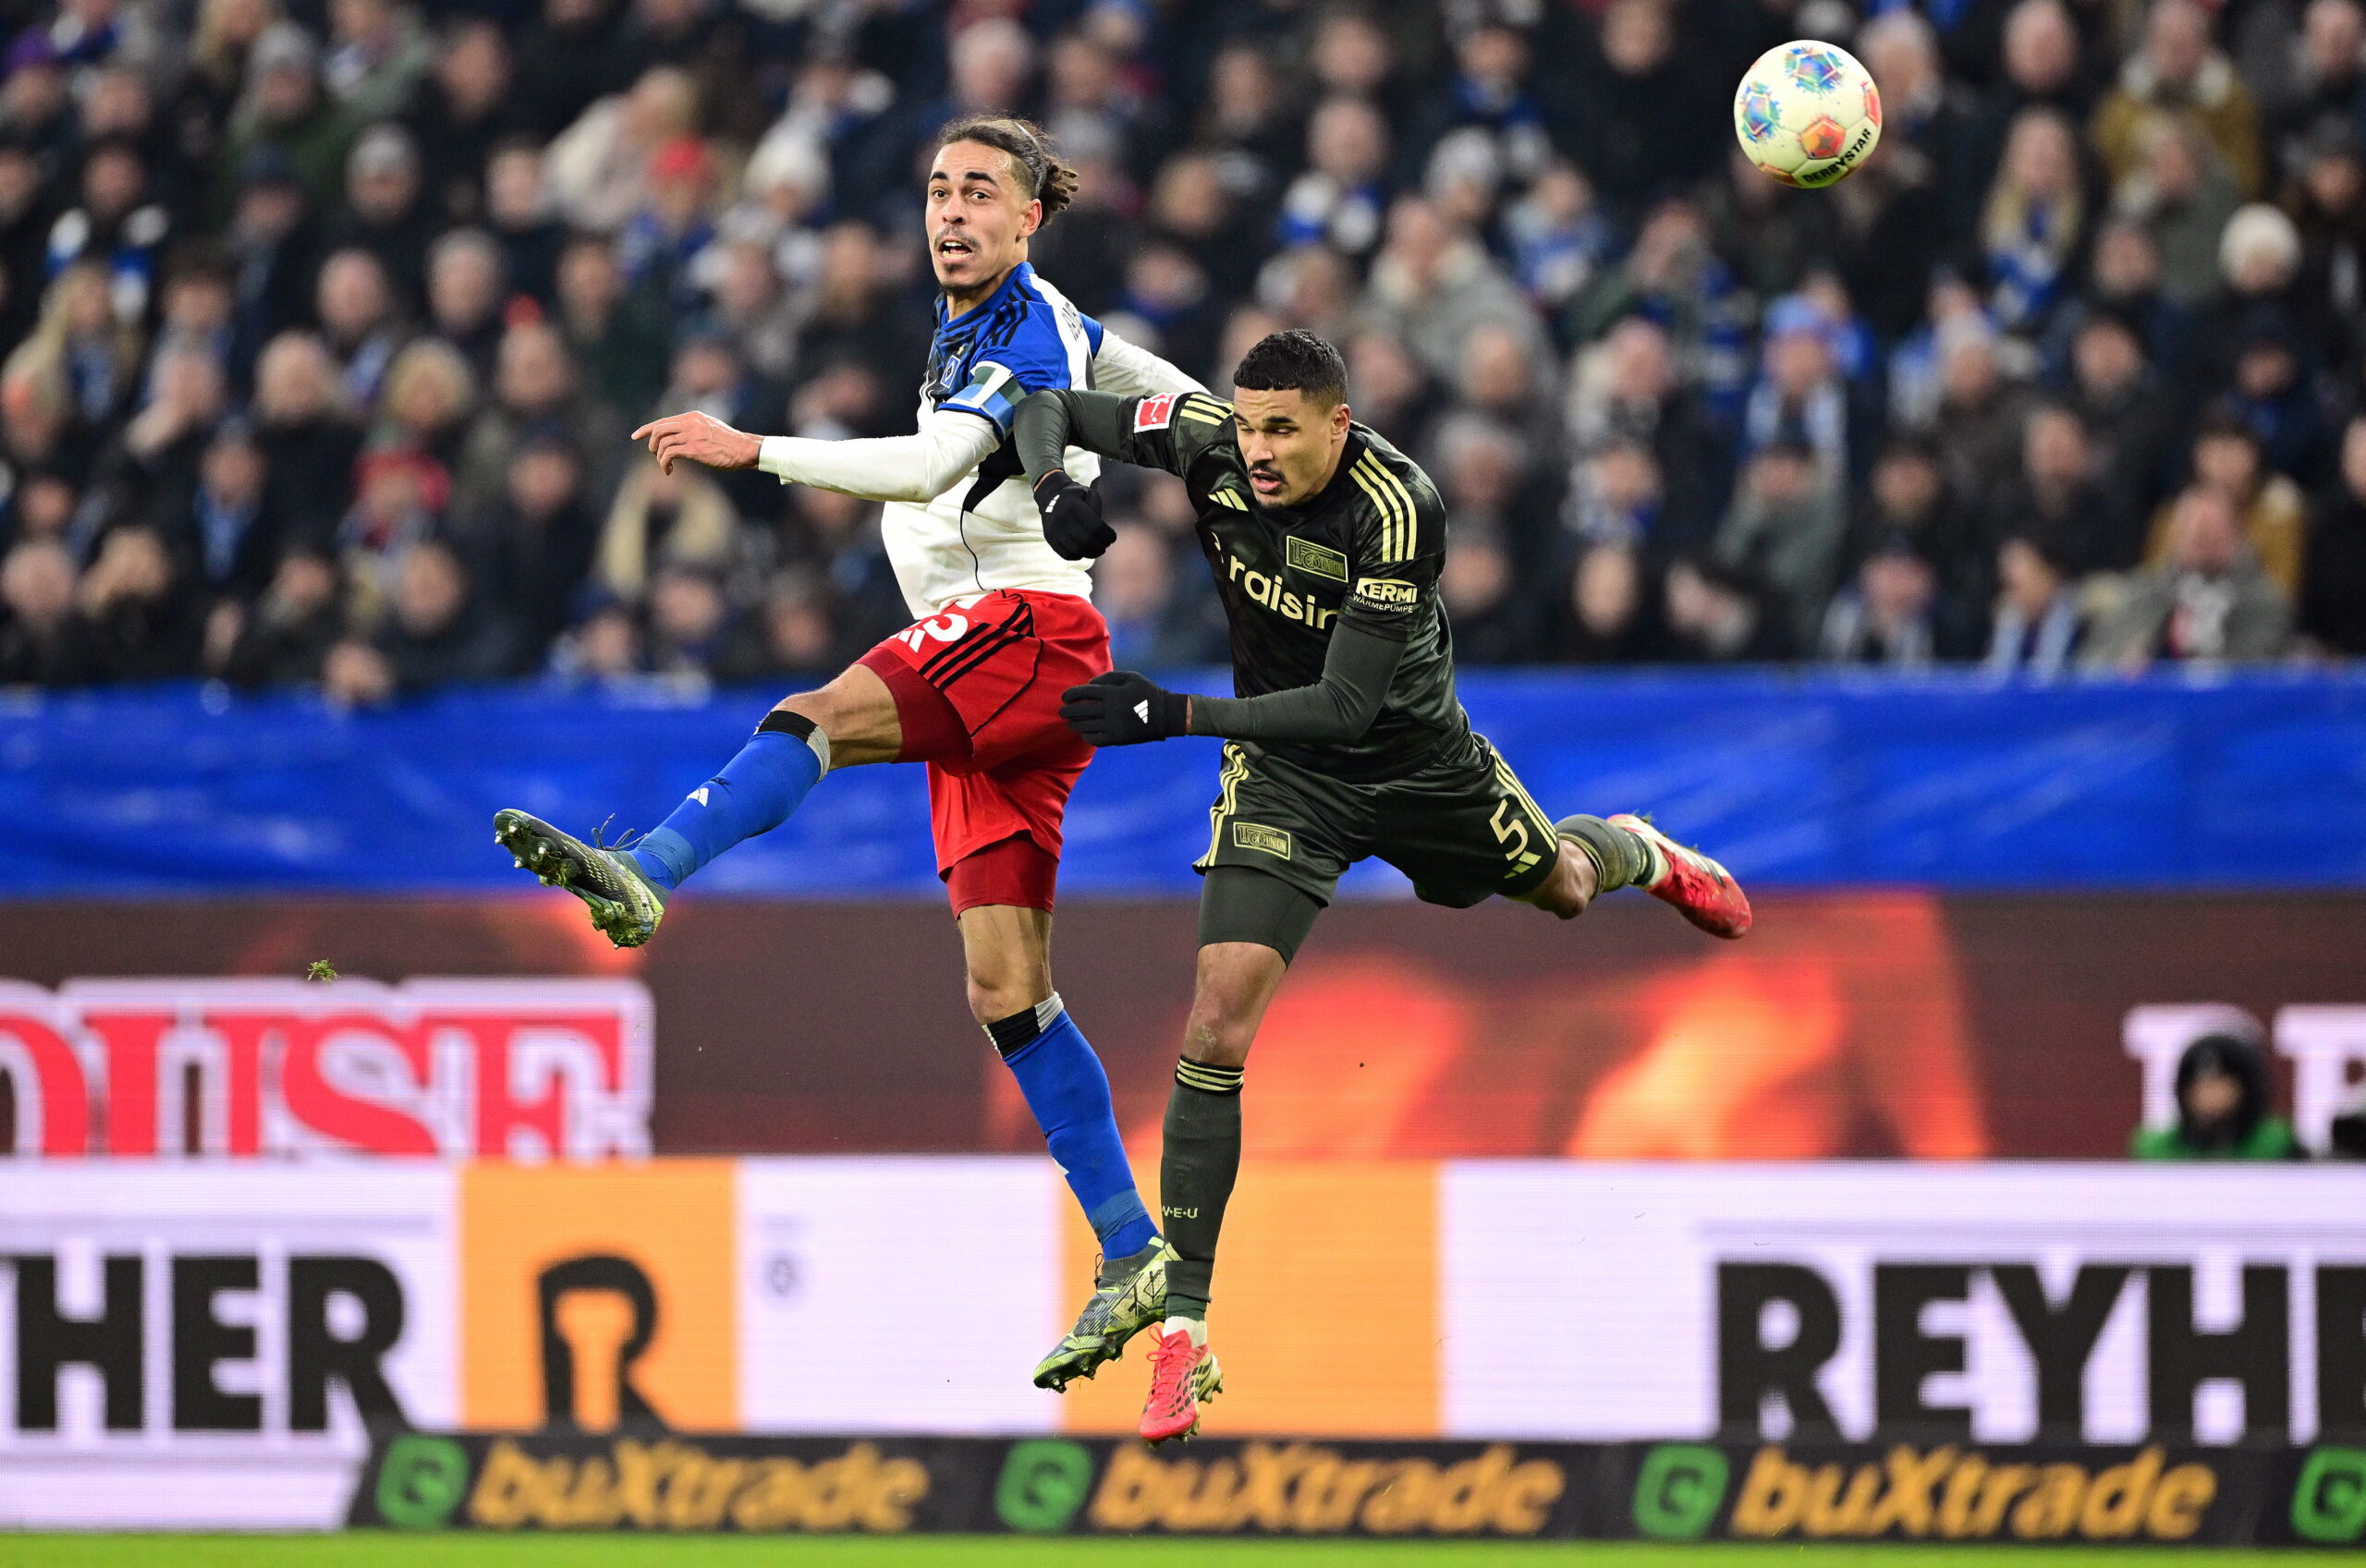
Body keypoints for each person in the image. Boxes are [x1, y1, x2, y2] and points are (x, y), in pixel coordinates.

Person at [490, 116, 1201, 1397]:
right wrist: (1249, 440)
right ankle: (1132, 1246)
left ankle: (648, 866)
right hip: (1010, 679)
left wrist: (754, 449)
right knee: (1005, 991)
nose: (952, 210)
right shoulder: (1037, 326)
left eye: (981, 192)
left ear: (1031, 215)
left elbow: (933, 467)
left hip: (1024, 631)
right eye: (938, 188)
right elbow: (1175, 401)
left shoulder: (1022, 323)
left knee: (817, 715)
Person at [1012, 330, 1754, 1443]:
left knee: (1555, 882)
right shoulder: (1209, 443)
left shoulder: (1397, 508)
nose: (1256, 451)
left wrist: (1170, 713)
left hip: (1414, 765)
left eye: (1281, 430)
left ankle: (1635, 849)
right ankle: (1185, 1332)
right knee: (1214, 1023)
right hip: (1283, 778)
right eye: (1248, 424)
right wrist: (1053, 485)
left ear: (1338, 427)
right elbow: (1045, 406)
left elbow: (1347, 707)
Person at [2130, 1033, 2304, 1160]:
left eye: (2221, 1085)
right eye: (2199, 1087)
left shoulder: (2275, 1144)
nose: (2209, 1095)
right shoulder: (2157, 1150)